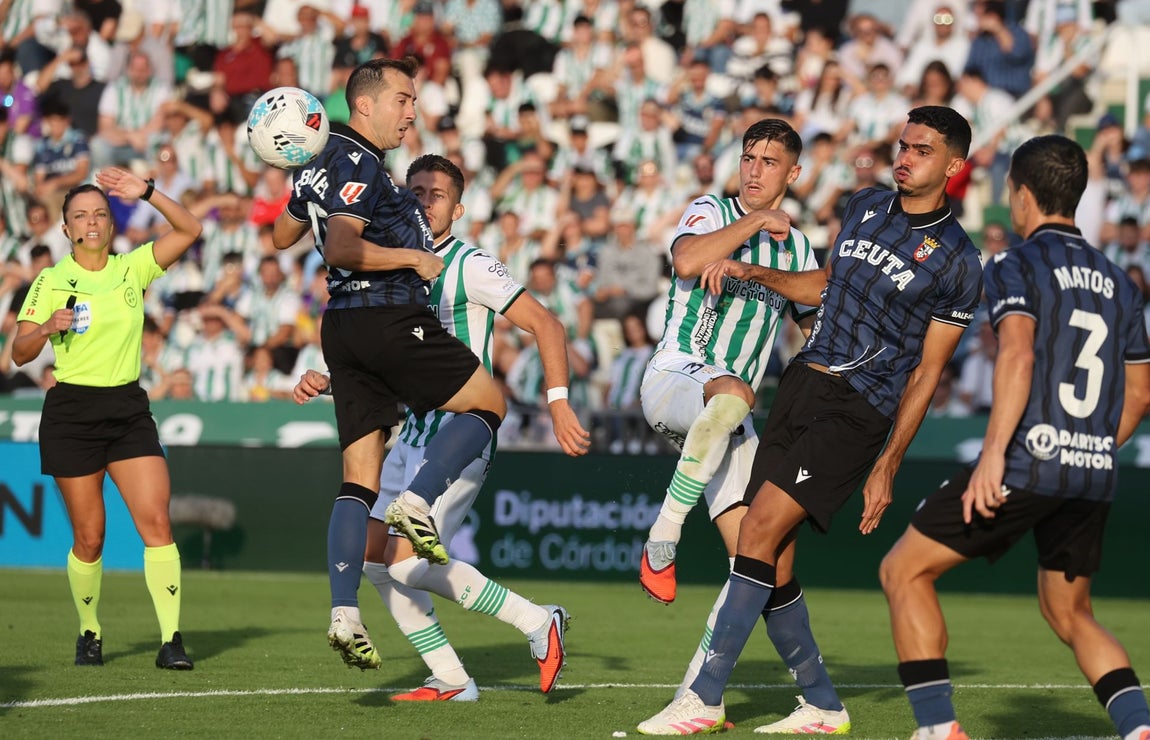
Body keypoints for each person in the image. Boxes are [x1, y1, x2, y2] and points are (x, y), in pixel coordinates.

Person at [639, 106, 983, 734]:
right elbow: (825, 286)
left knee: (757, 529)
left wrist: (888, 463)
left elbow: (929, 372)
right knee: (772, 560)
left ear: (954, 165)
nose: (905, 158)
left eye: (922, 150)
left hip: (860, 406)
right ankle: (822, 704)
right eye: (903, 145)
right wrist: (753, 271)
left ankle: (704, 697)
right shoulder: (866, 204)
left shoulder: (959, 260)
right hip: (801, 387)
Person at [880, 135, 1150, 740]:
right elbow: (1140, 396)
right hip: (1092, 469)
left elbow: (1019, 355)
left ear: (1021, 195)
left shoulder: (1014, 264)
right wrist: (1093, 447)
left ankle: (937, 728)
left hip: (1028, 460)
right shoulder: (1122, 281)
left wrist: (994, 457)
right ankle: (1139, 729)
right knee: (1071, 612)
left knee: (904, 571)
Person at [295, 154, 589, 699]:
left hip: (459, 434)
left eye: (437, 195)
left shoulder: (469, 265)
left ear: (458, 209)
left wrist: (559, 403)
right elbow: (391, 362)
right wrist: (336, 381)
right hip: (410, 433)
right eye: (416, 192)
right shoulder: (389, 266)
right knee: (373, 559)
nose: (425, 202)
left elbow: (547, 324)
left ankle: (536, 620)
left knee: (406, 567)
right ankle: (451, 678)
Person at [271, 56, 509, 671]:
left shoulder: (320, 160)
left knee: (358, 480)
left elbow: (280, 236)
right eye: (402, 100)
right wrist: (413, 260)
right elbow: (344, 246)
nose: (411, 112)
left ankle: (344, 611)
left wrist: (303, 188)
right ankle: (420, 500)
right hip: (387, 315)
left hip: (341, 325)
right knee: (489, 403)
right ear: (365, 104)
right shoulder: (356, 159)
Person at [11, 168, 202, 669]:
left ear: (112, 224)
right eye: (80, 216)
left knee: (156, 521)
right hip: (72, 413)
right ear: (66, 228)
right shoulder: (50, 281)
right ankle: (89, 631)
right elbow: (18, 352)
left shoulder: (132, 268)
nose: (91, 222)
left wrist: (149, 193)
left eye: (99, 214)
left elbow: (190, 229)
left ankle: (171, 641)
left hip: (127, 409)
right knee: (90, 538)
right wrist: (45, 327)